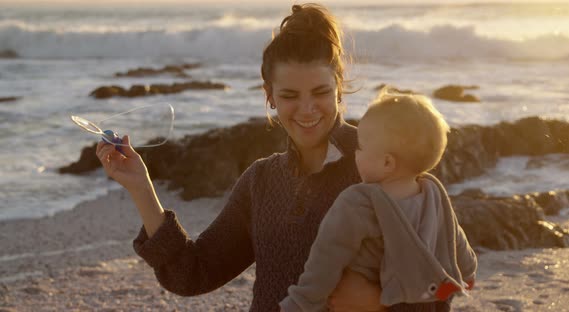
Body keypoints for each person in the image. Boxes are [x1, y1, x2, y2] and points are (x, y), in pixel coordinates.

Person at [95, 3, 451, 312]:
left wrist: (378, 301)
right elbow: (193, 274)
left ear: (339, 88)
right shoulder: (261, 181)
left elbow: (440, 292)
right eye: (290, 95)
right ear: (270, 97)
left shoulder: (385, 166)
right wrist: (140, 186)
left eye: (321, 92)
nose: (308, 108)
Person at [279, 92, 478, 312]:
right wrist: (467, 276)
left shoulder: (359, 202)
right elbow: (457, 246)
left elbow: (325, 260)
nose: (355, 153)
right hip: (428, 302)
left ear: (387, 163)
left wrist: (301, 302)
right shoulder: (435, 196)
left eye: (361, 147)